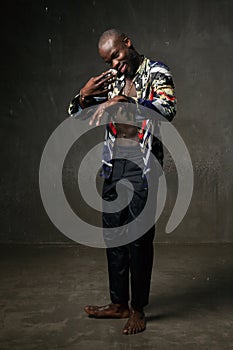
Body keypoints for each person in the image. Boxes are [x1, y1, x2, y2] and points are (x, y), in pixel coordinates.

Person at [68, 28, 176, 335]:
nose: (115, 64)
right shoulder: (111, 79)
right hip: (114, 167)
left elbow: (167, 109)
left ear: (127, 43)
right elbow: (78, 114)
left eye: (116, 55)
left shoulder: (156, 72)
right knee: (114, 237)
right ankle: (119, 304)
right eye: (108, 60)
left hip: (142, 167)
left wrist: (122, 101)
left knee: (139, 240)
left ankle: (138, 309)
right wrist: (84, 95)